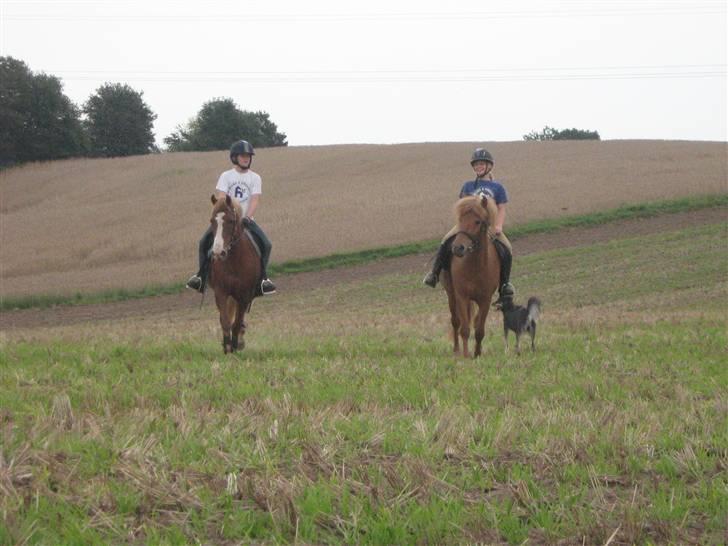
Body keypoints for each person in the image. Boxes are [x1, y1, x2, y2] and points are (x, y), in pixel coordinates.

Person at [423, 147, 515, 305]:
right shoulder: (468, 186)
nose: (479, 167)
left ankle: (504, 286)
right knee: (446, 241)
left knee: (507, 248)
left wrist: (498, 226)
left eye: (482, 164)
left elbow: (501, 208)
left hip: (489, 226)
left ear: (489, 166)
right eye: (476, 164)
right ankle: (434, 273)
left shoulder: (497, 188)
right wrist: (461, 224)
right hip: (467, 226)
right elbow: (462, 208)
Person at [186, 139, 276, 295]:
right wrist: (228, 214)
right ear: (234, 157)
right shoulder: (226, 176)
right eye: (243, 156)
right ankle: (201, 277)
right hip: (226, 220)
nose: (246, 158)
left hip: (245, 220)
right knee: (203, 242)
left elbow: (254, 200)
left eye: (248, 156)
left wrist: (247, 216)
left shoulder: (255, 178)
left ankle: (262, 280)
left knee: (266, 244)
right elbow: (221, 198)